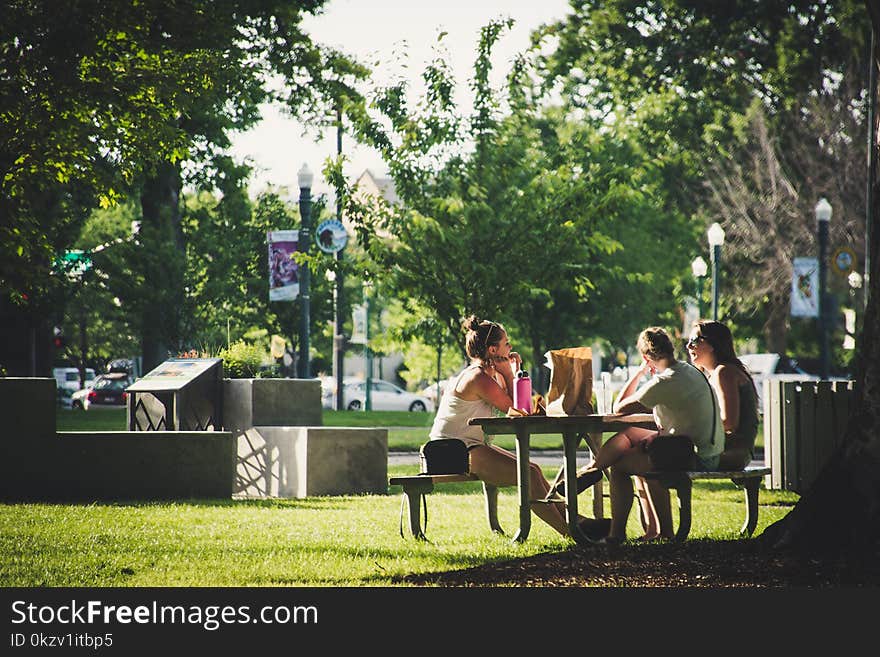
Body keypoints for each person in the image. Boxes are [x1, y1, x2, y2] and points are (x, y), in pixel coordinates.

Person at [555, 326, 723, 542]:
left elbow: (619, 407)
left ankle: (617, 533)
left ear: (646, 356)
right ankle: (593, 469)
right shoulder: (689, 370)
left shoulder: (665, 381)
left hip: (697, 456)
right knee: (630, 434)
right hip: (702, 448)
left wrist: (640, 372)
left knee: (620, 467)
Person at [428, 315, 571, 537]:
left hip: (466, 447)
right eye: (506, 343)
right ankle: (570, 532)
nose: (511, 346)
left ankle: (577, 523)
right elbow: (519, 410)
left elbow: (522, 405)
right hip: (449, 452)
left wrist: (511, 373)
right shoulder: (478, 378)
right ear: (493, 350)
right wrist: (508, 372)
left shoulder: (489, 375)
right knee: (529, 476)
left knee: (533, 470)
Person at [686, 320, 759, 471]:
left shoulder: (724, 372)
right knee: (648, 455)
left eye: (694, 340)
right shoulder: (716, 374)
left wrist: (691, 429)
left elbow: (730, 423)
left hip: (733, 452)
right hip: (724, 448)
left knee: (656, 460)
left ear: (713, 344)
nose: (689, 346)